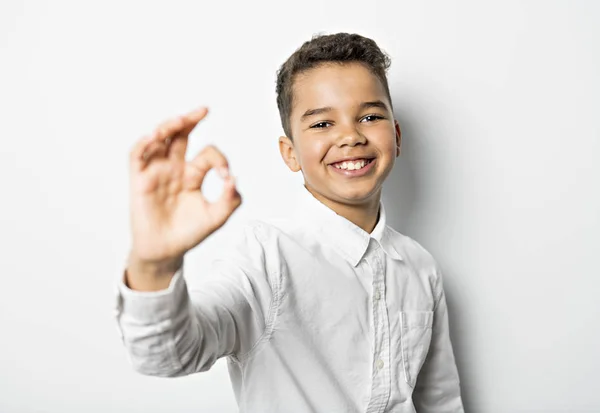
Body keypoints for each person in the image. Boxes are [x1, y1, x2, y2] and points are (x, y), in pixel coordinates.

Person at [113, 32, 464, 412]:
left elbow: (440, 400)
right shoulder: (265, 256)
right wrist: (155, 263)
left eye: (370, 116)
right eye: (321, 124)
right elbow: (169, 355)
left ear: (395, 136)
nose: (350, 135)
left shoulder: (420, 267)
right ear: (291, 153)